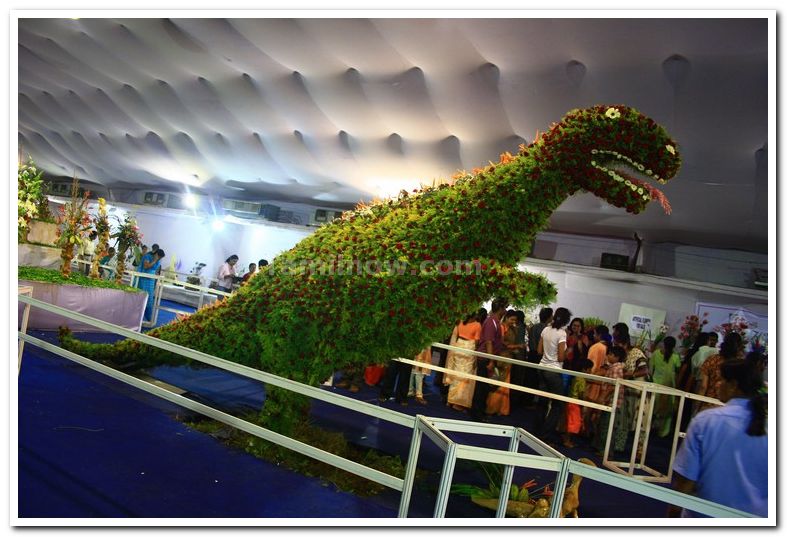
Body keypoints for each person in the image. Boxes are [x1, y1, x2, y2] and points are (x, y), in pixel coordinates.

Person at [668, 359, 767, 517]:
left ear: (733, 385)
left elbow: (686, 481)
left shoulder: (706, 421)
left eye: (721, 380)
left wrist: (673, 514)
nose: (717, 384)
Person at [535, 306, 571, 446]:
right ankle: (546, 435)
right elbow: (561, 357)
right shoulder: (561, 334)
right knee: (557, 405)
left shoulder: (546, 329)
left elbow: (539, 350)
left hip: (542, 367)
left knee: (542, 402)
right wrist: (568, 352)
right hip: (554, 370)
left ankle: (537, 431)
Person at [470, 297, 508, 422]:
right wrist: (491, 360)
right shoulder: (491, 322)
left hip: (488, 357)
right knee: (482, 387)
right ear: (501, 309)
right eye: (505, 308)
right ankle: (477, 413)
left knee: (484, 387)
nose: (506, 310)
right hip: (485, 358)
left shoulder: (494, 321)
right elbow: (489, 342)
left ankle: (479, 411)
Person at [486, 311, 525, 416]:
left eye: (515, 320)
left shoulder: (513, 329)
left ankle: (500, 409)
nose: (513, 322)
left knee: (504, 384)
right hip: (501, 358)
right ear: (506, 318)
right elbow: (502, 343)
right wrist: (518, 346)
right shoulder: (501, 328)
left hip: (508, 359)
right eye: (511, 319)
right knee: (496, 382)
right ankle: (491, 407)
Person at [696, 332, 745, 413]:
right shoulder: (740, 365)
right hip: (728, 409)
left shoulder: (712, 360)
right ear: (739, 347)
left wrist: (697, 405)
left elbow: (703, 386)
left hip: (708, 405)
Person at [592, 345, 628, 454]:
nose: (608, 356)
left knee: (607, 427)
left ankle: (605, 451)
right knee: (604, 425)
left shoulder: (616, 369)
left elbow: (613, 386)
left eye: (610, 354)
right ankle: (602, 448)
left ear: (617, 357)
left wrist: (603, 397)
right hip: (611, 401)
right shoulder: (615, 367)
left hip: (611, 402)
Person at [444, 311, 482, 411]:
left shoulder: (459, 322)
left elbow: (455, 335)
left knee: (455, 374)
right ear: (474, 316)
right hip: (469, 349)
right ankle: (459, 402)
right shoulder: (477, 325)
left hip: (458, 346)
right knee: (465, 377)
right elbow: (477, 341)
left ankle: (450, 400)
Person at [649, 336, 681, 437]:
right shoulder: (675, 357)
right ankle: (663, 432)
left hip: (655, 385)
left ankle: (648, 428)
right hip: (668, 386)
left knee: (652, 409)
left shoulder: (656, 354)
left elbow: (650, 370)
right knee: (667, 411)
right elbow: (678, 370)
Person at [524, 307, 553, 407]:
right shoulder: (545, 329)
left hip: (532, 354)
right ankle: (531, 401)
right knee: (536, 379)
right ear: (549, 317)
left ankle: (527, 400)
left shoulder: (534, 327)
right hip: (538, 355)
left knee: (529, 378)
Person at [563, 358, 594, 448]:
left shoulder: (576, 376)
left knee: (570, 421)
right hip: (575, 403)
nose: (590, 371)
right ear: (585, 369)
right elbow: (581, 394)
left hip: (570, 401)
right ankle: (567, 440)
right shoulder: (581, 379)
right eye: (589, 369)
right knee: (573, 423)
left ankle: (567, 438)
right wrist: (586, 401)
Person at [137, 248, 165, 322]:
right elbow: (146, 266)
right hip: (143, 279)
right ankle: (137, 317)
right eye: (159, 257)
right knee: (141, 296)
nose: (159, 259)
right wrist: (155, 260)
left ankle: (149, 318)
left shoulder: (158, 260)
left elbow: (155, 271)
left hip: (151, 281)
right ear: (156, 254)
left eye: (160, 258)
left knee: (150, 299)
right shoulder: (147, 256)